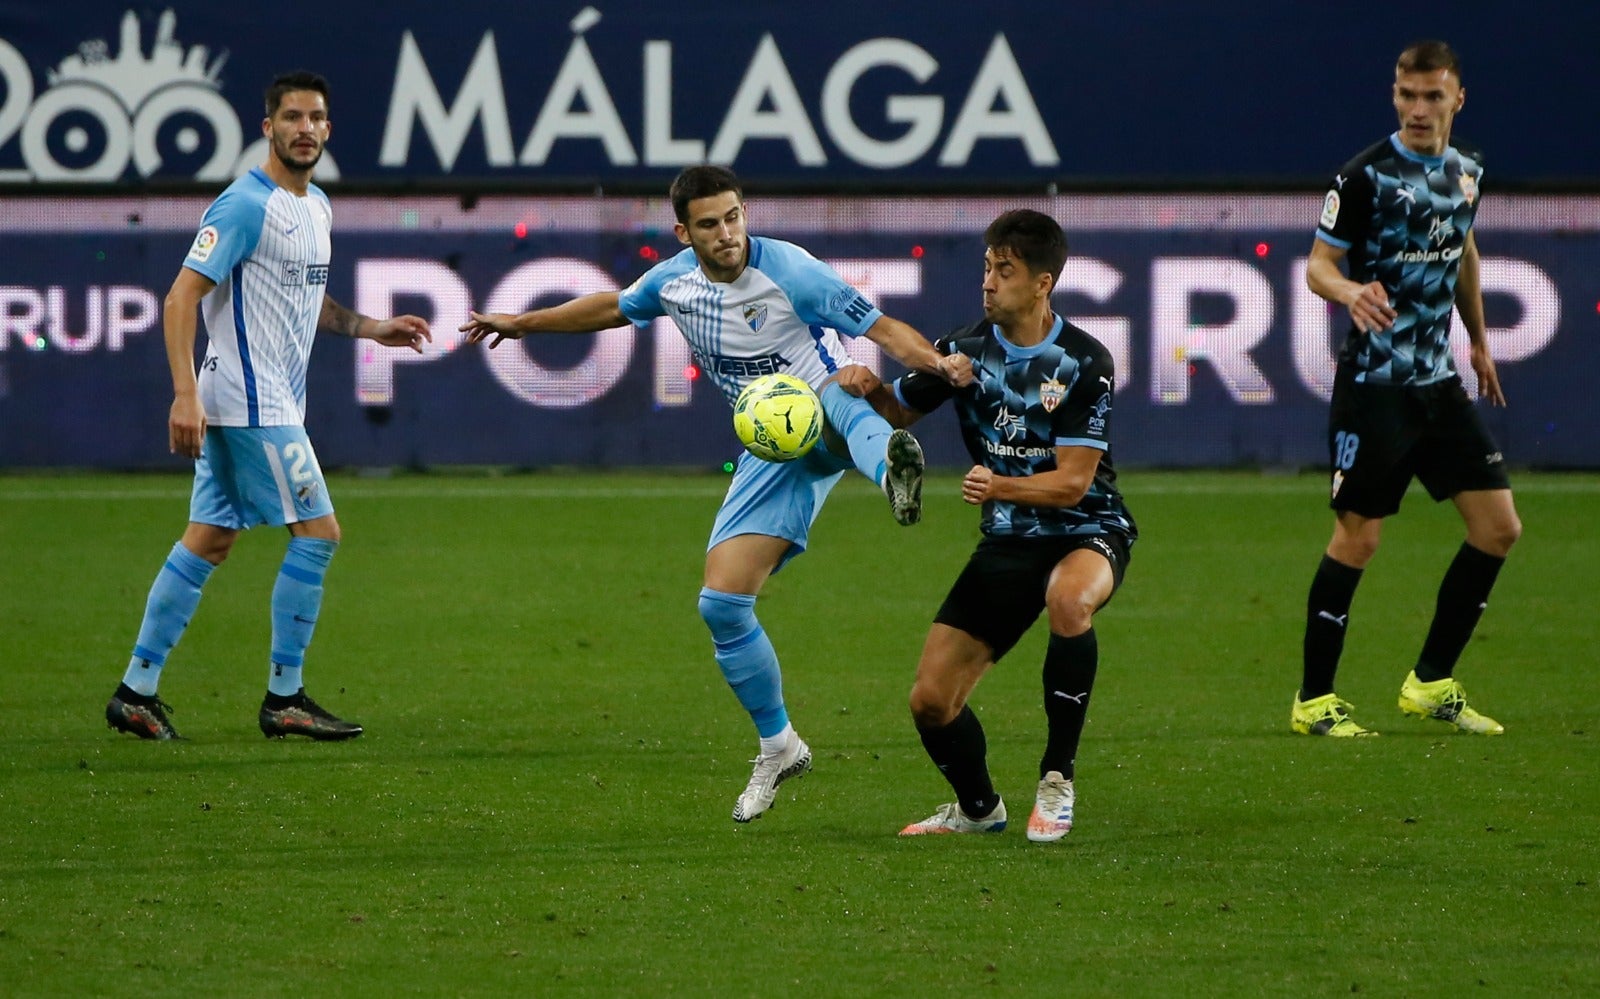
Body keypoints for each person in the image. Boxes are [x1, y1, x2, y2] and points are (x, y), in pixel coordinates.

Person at [461, 165, 971, 823]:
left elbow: (880, 328)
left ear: (745, 212)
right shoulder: (674, 282)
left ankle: (892, 470)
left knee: (845, 387)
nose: (727, 233)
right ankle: (779, 744)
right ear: (684, 231)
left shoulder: (791, 270)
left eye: (734, 217)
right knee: (722, 605)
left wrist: (936, 362)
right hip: (768, 448)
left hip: (821, 402)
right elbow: (614, 306)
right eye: (710, 223)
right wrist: (523, 323)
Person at [105, 71, 432, 742]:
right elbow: (179, 297)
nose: (304, 128)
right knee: (319, 534)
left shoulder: (315, 207)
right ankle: (285, 696)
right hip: (249, 402)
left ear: (328, 129)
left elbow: (310, 303)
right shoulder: (243, 205)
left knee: (210, 539)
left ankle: (136, 689)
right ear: (268, 127)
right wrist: (184, 393)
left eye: (316, 117)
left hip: (262, 399)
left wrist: (373, 329)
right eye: (291, 117)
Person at [859, 210, 1136, 842]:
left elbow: (1073, 483)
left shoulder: (1083, 361)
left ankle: (1057, 779)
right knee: (930, 701)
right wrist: (869, 387)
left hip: (1086, 527)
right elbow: (902, 411)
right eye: (987, 267)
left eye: (1004, 271)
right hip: (1009, 539)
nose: (988, 282)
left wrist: (998, 484)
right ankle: (979, 809)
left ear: (1042, 283)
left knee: (1069, 601)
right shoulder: (963, 349)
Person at [1292, 40, 1519, 737]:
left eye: (1431, 95)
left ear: (1457, 98)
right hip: (1375, 385)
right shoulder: (1364, 176)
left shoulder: (1468, 169)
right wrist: (1352, 289)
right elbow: (1317, 268)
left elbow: (1463, 249)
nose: (1417, 109)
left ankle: (1430, 681)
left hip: (1437, 382)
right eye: (1405, 95)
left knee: (1498, 527)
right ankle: (1314, 700)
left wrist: (1478, 340)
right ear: (1396, 96)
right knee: (1358, 540)